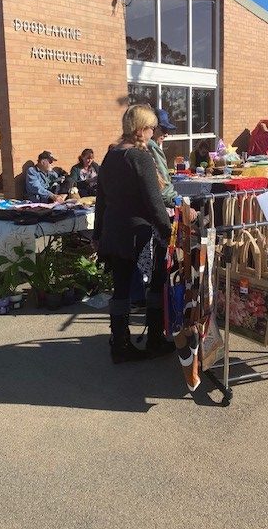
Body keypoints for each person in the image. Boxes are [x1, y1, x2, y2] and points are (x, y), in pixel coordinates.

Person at [93, 105, 172, 364]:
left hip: (114, 230)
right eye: (150, 127)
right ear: (140, 129)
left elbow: (101, 199)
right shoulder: (140, 157)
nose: (153, 131)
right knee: (157, 283)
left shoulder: (112, 155)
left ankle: (120, 342)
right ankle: (154, 338)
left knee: (121, 288)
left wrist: (98, 232)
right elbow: (154, 201)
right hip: (138, 232)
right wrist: (167, 231)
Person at [147, 109, 197, 339]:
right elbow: (162, 187)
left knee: (155, 277)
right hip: (153, 220)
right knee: (159, 275)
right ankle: (156, 335)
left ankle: (151, 332)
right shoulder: (149, 148)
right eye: (163, 129)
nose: (165, 134)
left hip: (143, 219)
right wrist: (181, 203)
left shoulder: (130, 150)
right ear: (150, 127)